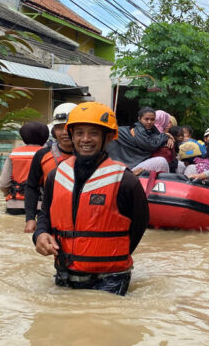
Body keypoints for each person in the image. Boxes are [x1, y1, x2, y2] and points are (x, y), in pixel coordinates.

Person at [33, 102, 149, 296]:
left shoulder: (126, 181)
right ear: (72, 136)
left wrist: (110, 254)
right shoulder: (56, 176)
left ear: (108, 137)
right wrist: (40, 234)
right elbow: (45, 214)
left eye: (93, 133)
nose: (85, 139)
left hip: (111, 278)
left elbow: (139, 225)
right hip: (65, 272)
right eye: (79, 133)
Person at [24, 103, 76, 233]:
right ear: (53, 131)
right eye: (59, 128)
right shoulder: (42, 155)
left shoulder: (91, 156)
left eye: (68, 127)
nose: (64, 132)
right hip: (51, 214)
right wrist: (30, 218)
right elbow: (31, 186)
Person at [0, 121, 49, 215]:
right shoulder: (48, 154)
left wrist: (9, 194)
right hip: (40, 205)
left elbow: (3, 183)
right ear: (45, 137)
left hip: (14, 205)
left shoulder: (13, 154)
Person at [106, 107, 174, 174]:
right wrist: (165, 136)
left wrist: (168, 137)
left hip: (138, 162)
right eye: (146, 119)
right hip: (131, 166)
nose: (149, 122)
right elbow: (150, 145)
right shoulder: (138, 129)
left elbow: (156, 139)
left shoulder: (152, 130)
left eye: (152, 119)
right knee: (161, 162)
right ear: (139, 119)